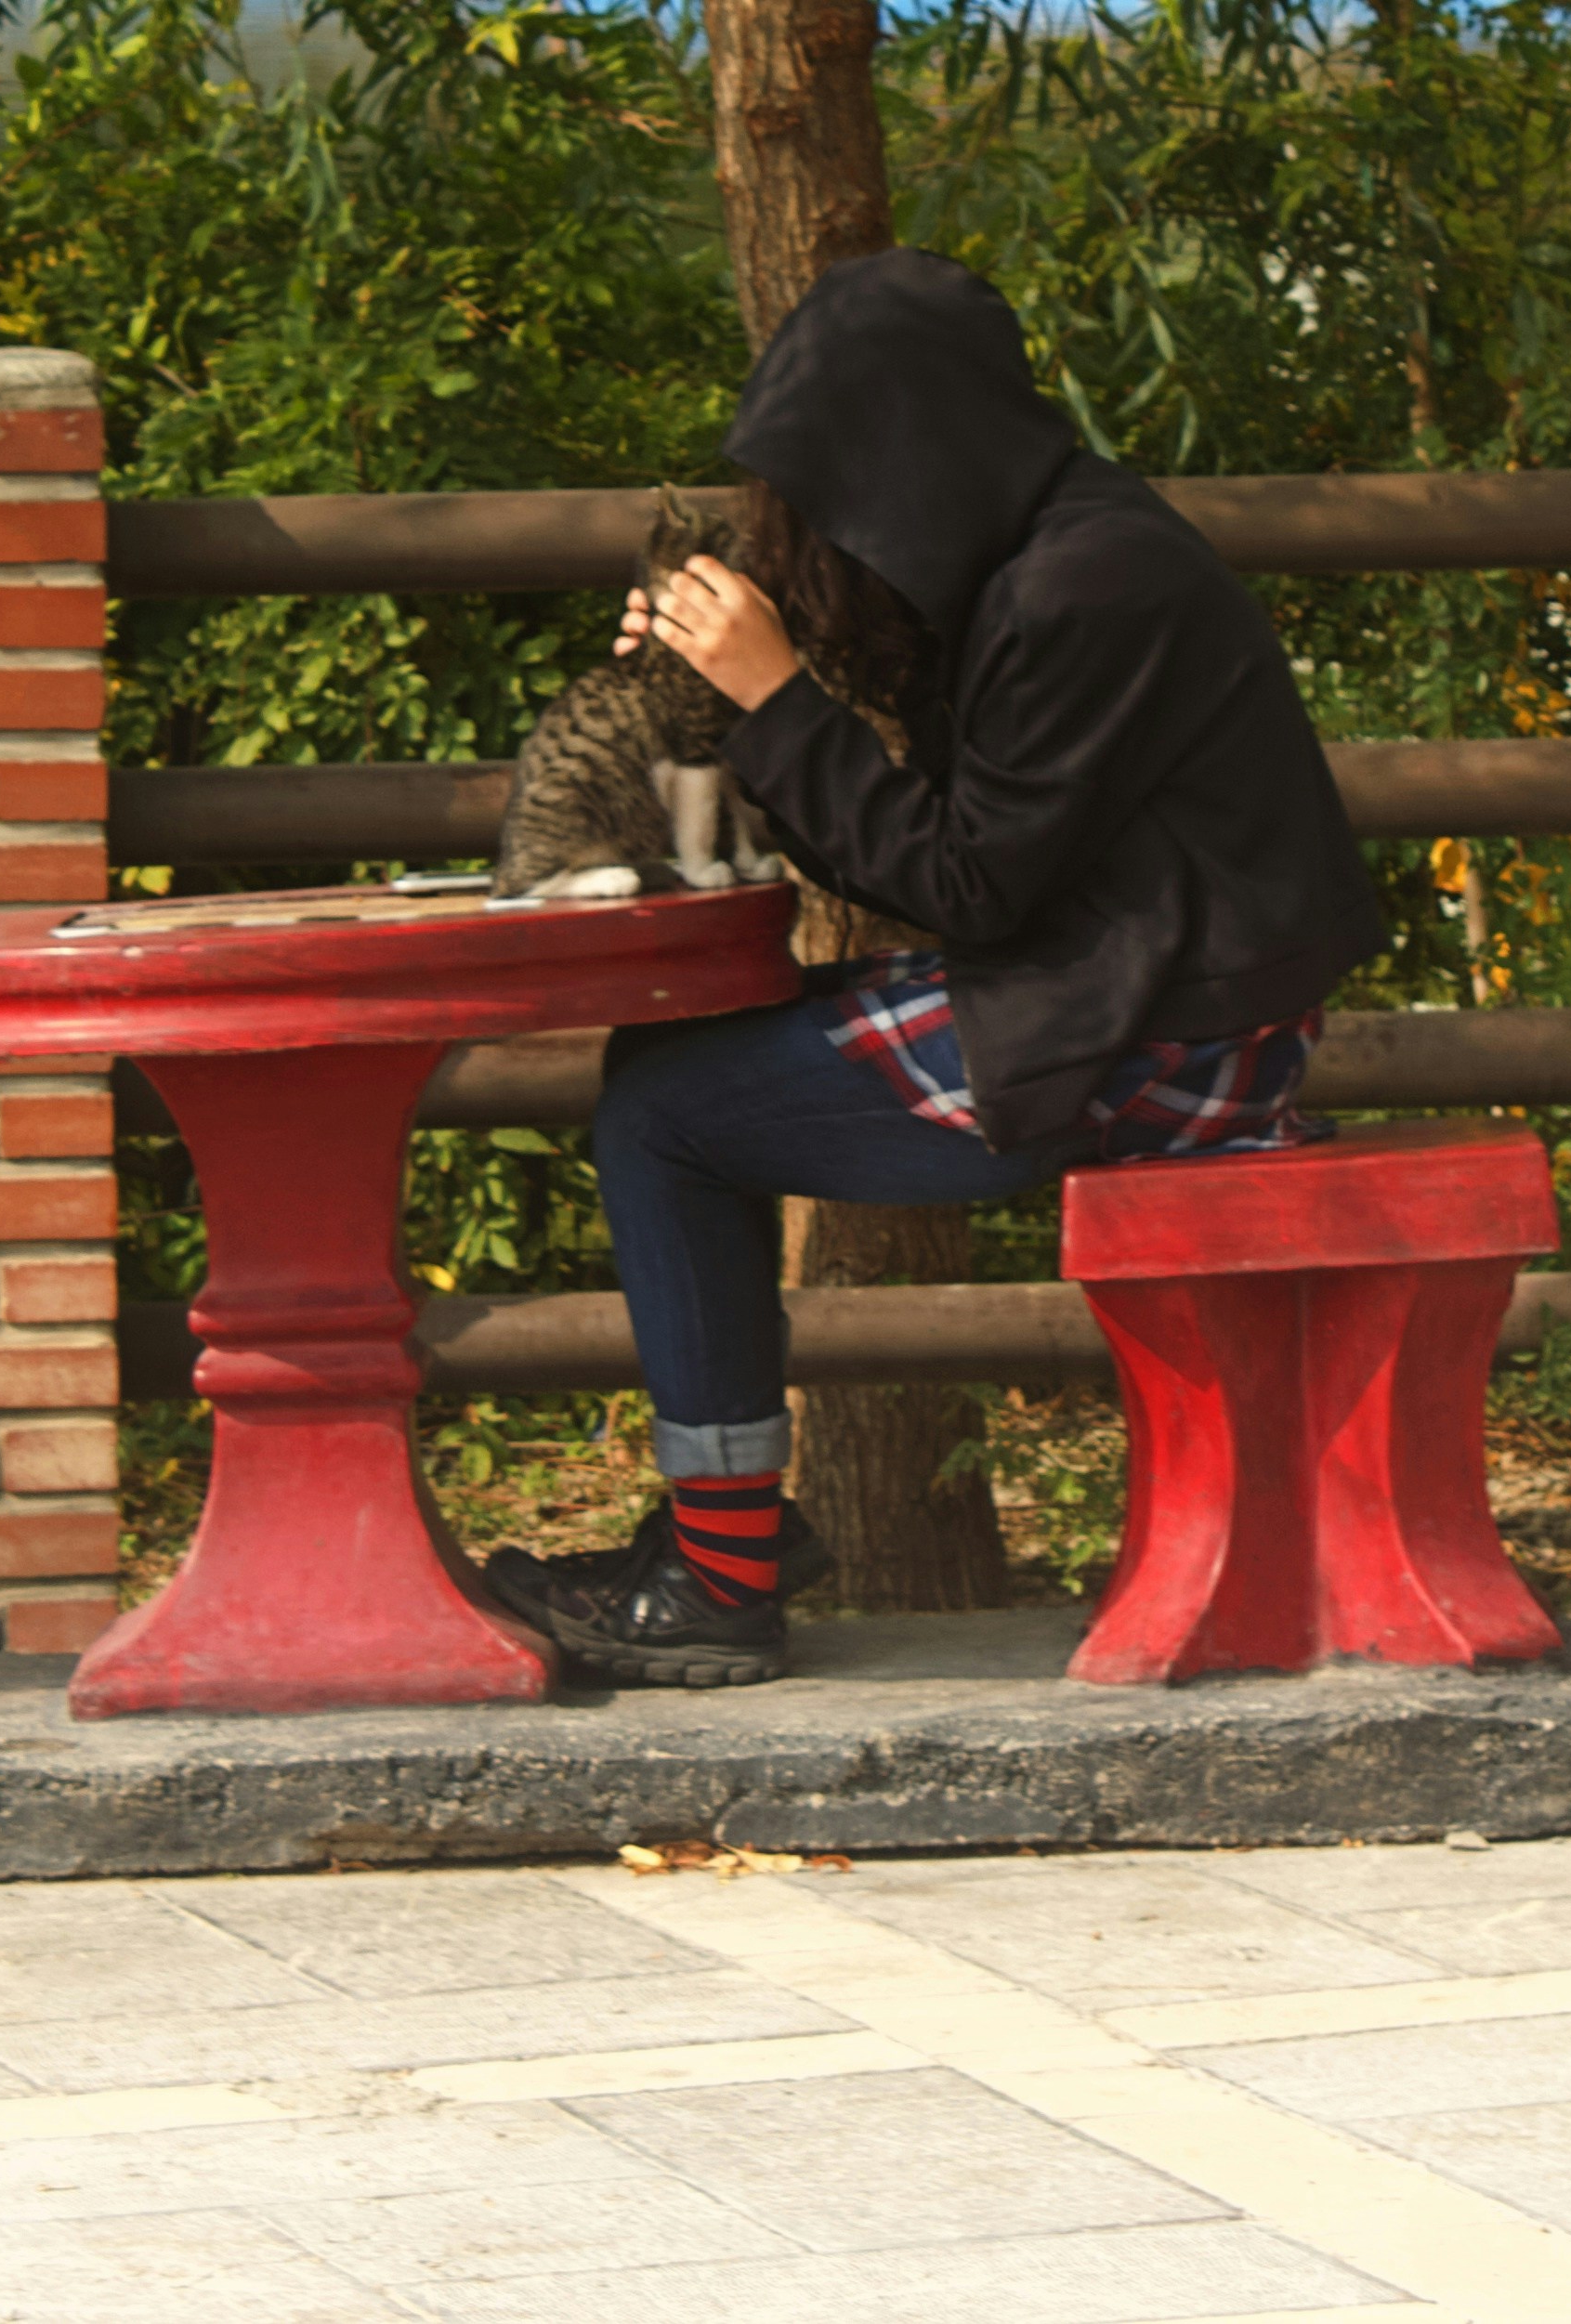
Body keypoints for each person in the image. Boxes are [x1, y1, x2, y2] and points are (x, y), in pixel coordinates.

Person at [483, 249, 1384, 1688]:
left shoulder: (1093, 581)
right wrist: (713, 693)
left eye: (828, 488)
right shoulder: (1051, 548)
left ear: (905, 447)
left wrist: (776, 694)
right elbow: (967, 842)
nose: (821, 522)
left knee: (662, 1118)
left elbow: (965, 880)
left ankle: (722, 1573)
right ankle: (725, 1542)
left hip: (1170, 1039)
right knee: (663, 1073)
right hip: (1123, 991)